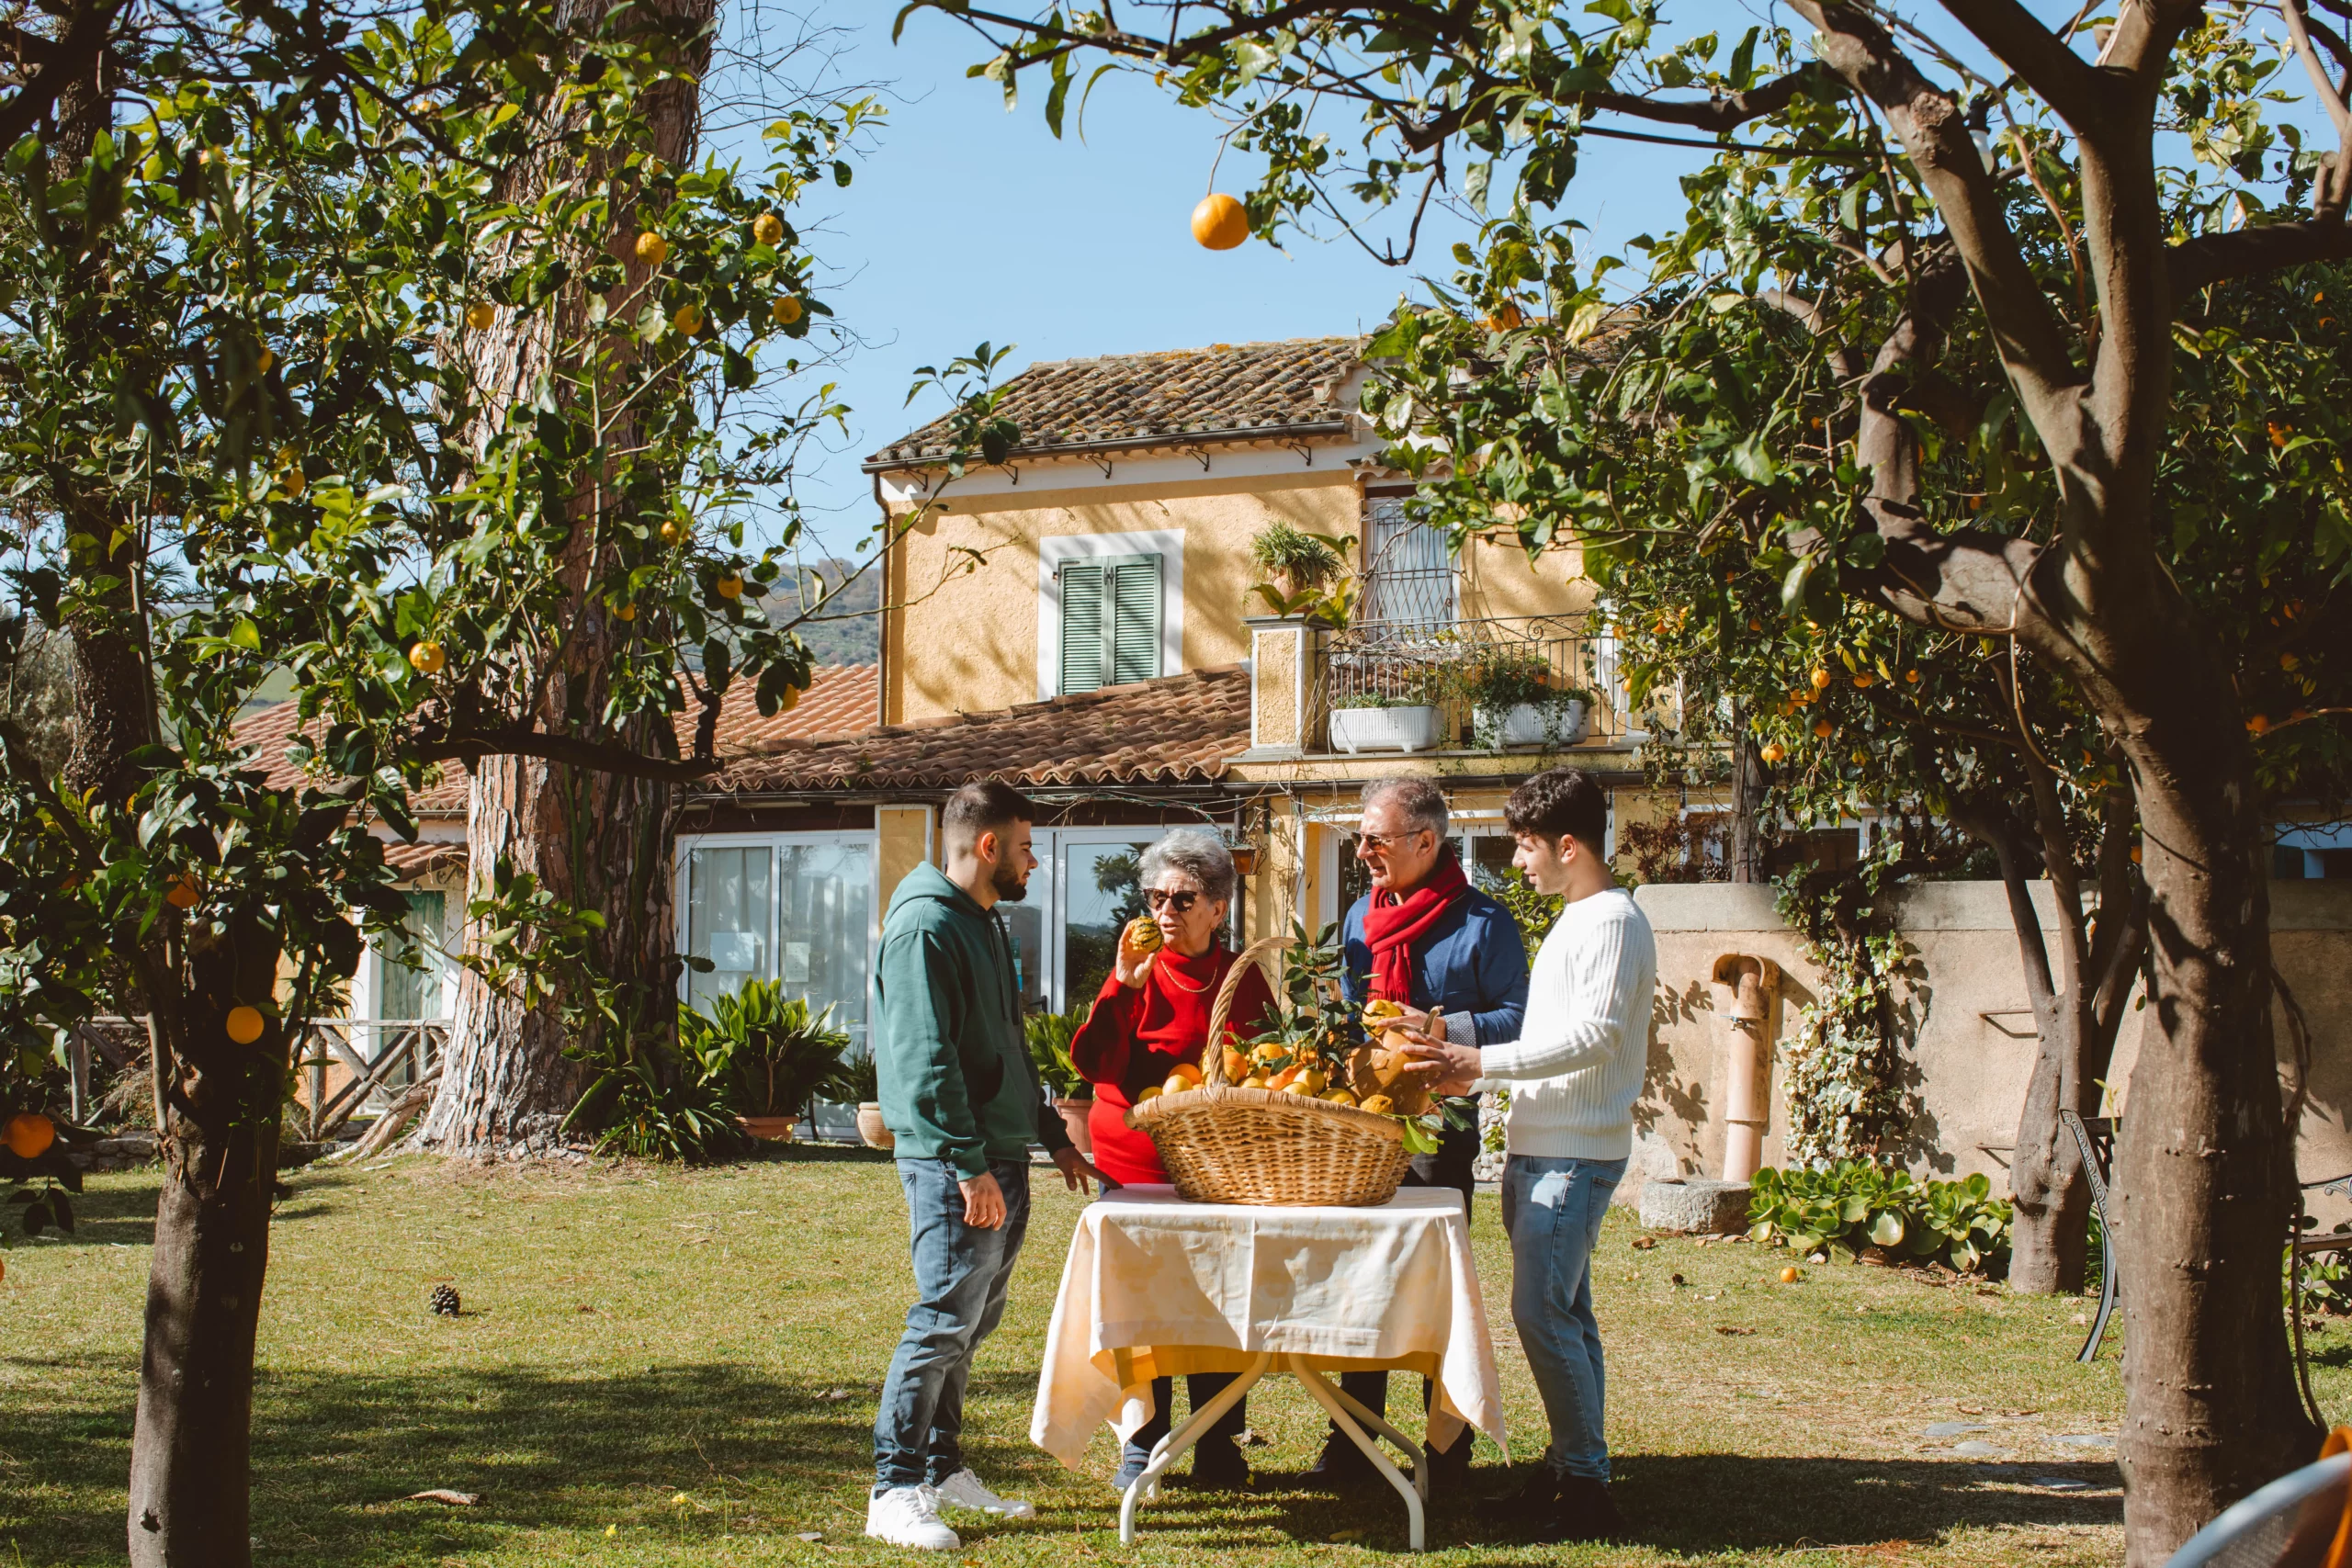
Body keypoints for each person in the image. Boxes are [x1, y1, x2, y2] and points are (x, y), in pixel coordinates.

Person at [1399, 767, 1656, 1543]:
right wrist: (1450, 1037)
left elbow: (1598, 1038)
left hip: (1572, 1157)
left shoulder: (1611, 920)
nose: (1517, 861)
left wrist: (1479, 1067)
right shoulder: (1581, 917)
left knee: (1542, 1313)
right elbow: (1544, 1033)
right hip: (1545, 1149)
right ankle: (1574, 1470)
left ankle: (1585, 1490)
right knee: (1566, 1314)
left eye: (1524, 845)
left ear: (1568, 845)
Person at [867, 780, 1107, 1551]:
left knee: (972, 1324)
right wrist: (966, 1167)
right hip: (955, 1161)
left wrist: (1050, 1134)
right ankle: (893, 1486)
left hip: (999, 1151)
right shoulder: (924, 927)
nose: (1035, 861)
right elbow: (925, 1060)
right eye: (1028, 846)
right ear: (989, 846)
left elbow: (1006, 1043)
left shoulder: (986, 922)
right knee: (941, 1321)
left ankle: (941, 1468)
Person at [1325, 774, 1529, 1490]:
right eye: (1360, 838)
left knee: (1436, 1291)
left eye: (1374, 838)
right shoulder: (1357, 917)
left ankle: (1448, 1449)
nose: (1363, 851)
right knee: (1361, 1284)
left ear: (1425, 840)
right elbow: (1348, 1014)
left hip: (1442, 1132)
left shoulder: (1485, 924)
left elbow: (1517, 1019)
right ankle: (1352, 1441)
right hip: (1366, 1130)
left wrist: (1439, 1034)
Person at [1069, 828, 1276, 1492]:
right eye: (1155, 895)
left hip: (1216, 1171)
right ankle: (1144, 1439)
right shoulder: (1135, 969)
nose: (1165, 909)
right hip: (1134, 1168)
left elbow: (1270, 1068)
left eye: (1182, 898)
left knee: (1219, 1305)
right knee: (1142, 1308)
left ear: (1218, 907)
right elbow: (1095, 1062)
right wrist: (1124, 986)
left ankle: (1217, 1440)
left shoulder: (1242, 976)